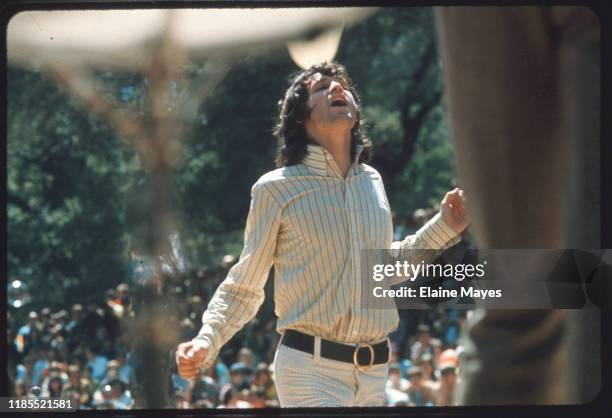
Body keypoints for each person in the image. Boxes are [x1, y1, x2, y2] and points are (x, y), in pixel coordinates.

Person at [175, 61, 469, 407]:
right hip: (309, 373)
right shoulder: (275, 190)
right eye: (321, 87)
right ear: (301, 116)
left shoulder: (372, 181)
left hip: (375, 375)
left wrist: (444, 225)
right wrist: (207, 340)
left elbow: (385, 270)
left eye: (343, 84)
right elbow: (245, 286)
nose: (338, 89)